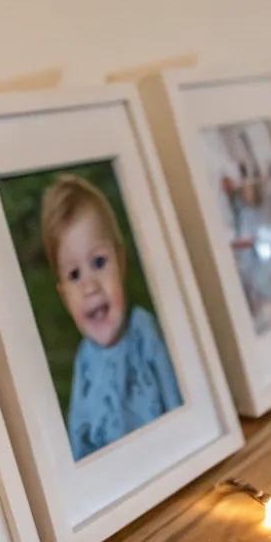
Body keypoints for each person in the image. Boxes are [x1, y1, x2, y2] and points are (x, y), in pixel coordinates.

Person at [41, 174, 182, 461]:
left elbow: (177, 399)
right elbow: (79, 432)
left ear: (121, 261)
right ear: (63, 296)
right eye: (74, 274)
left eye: (99, 263)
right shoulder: (85, 361)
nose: (90, 286)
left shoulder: (143, 330)